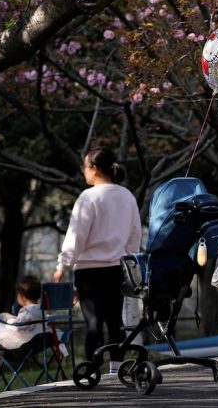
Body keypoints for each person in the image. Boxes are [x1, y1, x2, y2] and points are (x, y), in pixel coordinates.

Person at [53, 146, 142, 375]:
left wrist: (63, 265)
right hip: (117, 268)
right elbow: (135, 234)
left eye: (84, 167)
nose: (83, 171)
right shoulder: (127, 196)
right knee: (115, 321)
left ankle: (92, 367)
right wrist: (128, 258)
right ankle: (117, 368)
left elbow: (76, 235)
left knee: (94, 322)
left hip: (89, 271)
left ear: (94, 169)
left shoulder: (88, 197)